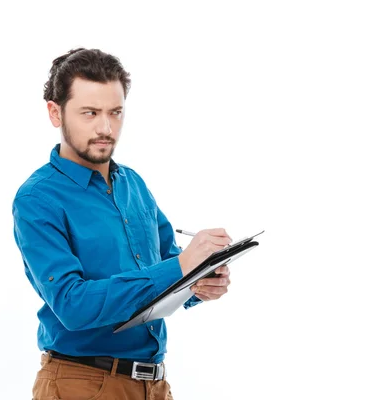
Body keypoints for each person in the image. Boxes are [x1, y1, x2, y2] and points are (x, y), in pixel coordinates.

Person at [12, 48, 233, 400]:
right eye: (90, 113)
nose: (105, 128)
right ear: (55, 113)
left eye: (115, 113)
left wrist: (199, 283)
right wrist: (180, 266)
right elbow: (72, 305)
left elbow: (166, 268)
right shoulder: (38, 199)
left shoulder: (133, 184)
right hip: (81, 385)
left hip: (154, 385)